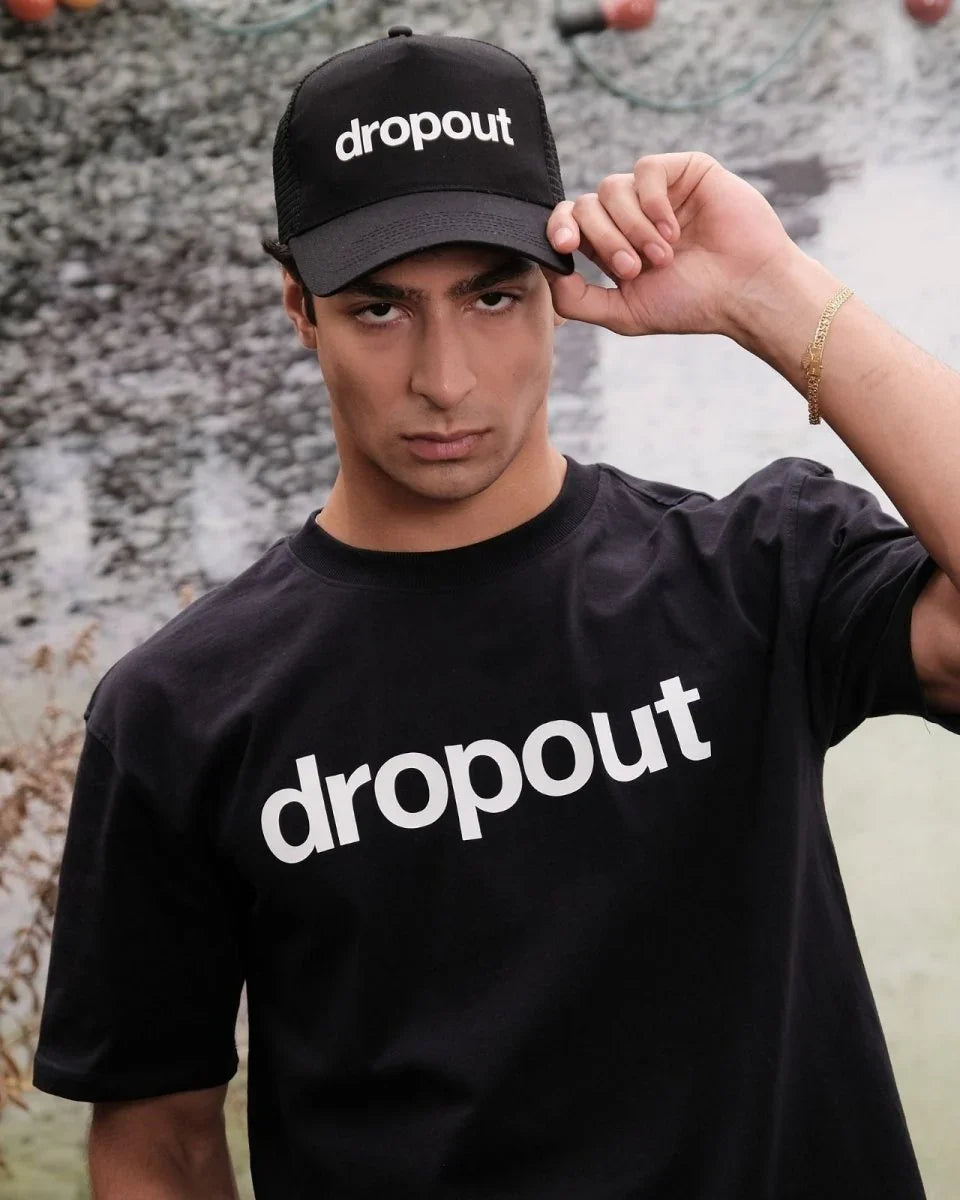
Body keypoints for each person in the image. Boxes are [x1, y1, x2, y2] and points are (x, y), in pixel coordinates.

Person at [33, 25, 960, 1200]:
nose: (446, 379)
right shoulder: (180, 711)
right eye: (380, 309)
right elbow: (157, 1144)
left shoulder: (753, 573)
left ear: (561, 289)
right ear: (299, 308)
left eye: (492, 295)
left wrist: (773, 295)